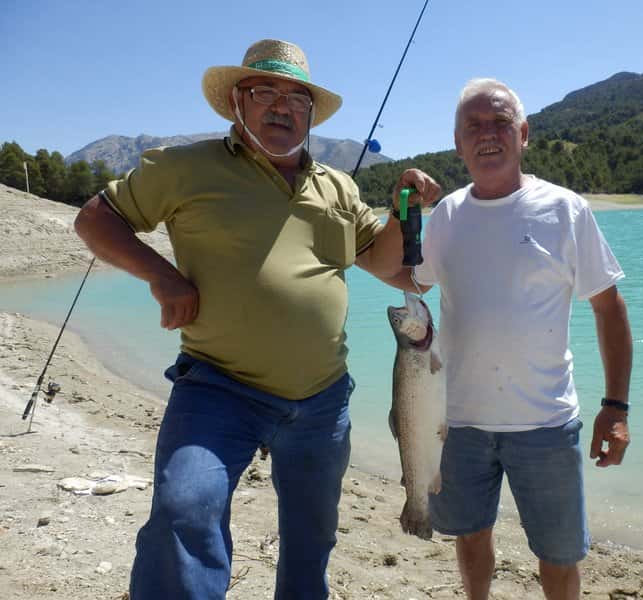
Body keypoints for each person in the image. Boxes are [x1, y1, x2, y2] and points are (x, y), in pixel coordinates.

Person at [73, 38, 439, 600]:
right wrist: (162, 275)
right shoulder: (186, 167)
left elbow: (388, 266)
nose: (281, 107)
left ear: (311, 114)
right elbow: (96, 219)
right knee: (184, 509)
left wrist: (403, 209)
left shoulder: (336, 185)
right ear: (236, 102)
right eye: (264, 92)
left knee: (313, 538)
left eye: (296, 98)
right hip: (219, 387)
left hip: (323, 398)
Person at [383, 78, 633, 600]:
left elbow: (608, 308)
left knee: (559, 555)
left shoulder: (565, 209)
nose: (487, 134)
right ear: (458, 144)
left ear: (524, 134)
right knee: (471, 537)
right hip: (457, 423)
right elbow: (411, 280)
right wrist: (402, 212)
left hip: (546, 423)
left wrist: (616, 407)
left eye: (500, 122)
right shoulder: (448, 214)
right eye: (473, 126)